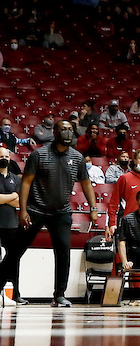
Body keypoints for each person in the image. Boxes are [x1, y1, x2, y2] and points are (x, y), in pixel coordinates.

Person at [1, 119, 99, 307]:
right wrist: (23, 210)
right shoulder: (39, 154)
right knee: (15, 252)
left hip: (61, 212)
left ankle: (59, 295)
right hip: (36, 209)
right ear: (55, 132)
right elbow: (27, 182)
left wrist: (93, 208)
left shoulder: (77, 157)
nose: (68, 133)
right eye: (64, 129)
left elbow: (86, 183)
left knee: (63, 253)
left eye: (71, 129)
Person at [106, 148, 140, 239]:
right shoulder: (124, 178)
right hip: (129, 222)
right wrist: (112, 223)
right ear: (135, 160)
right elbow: (114, 202)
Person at [0, 146, 24, 305]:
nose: (4, 158)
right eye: (1, 156)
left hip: (11, 224)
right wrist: (13, 195)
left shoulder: (16, 178)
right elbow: (14, 198)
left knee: (14, 259)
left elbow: (20, 202)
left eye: (7, 156)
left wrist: (5, 198)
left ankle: (15, 293)